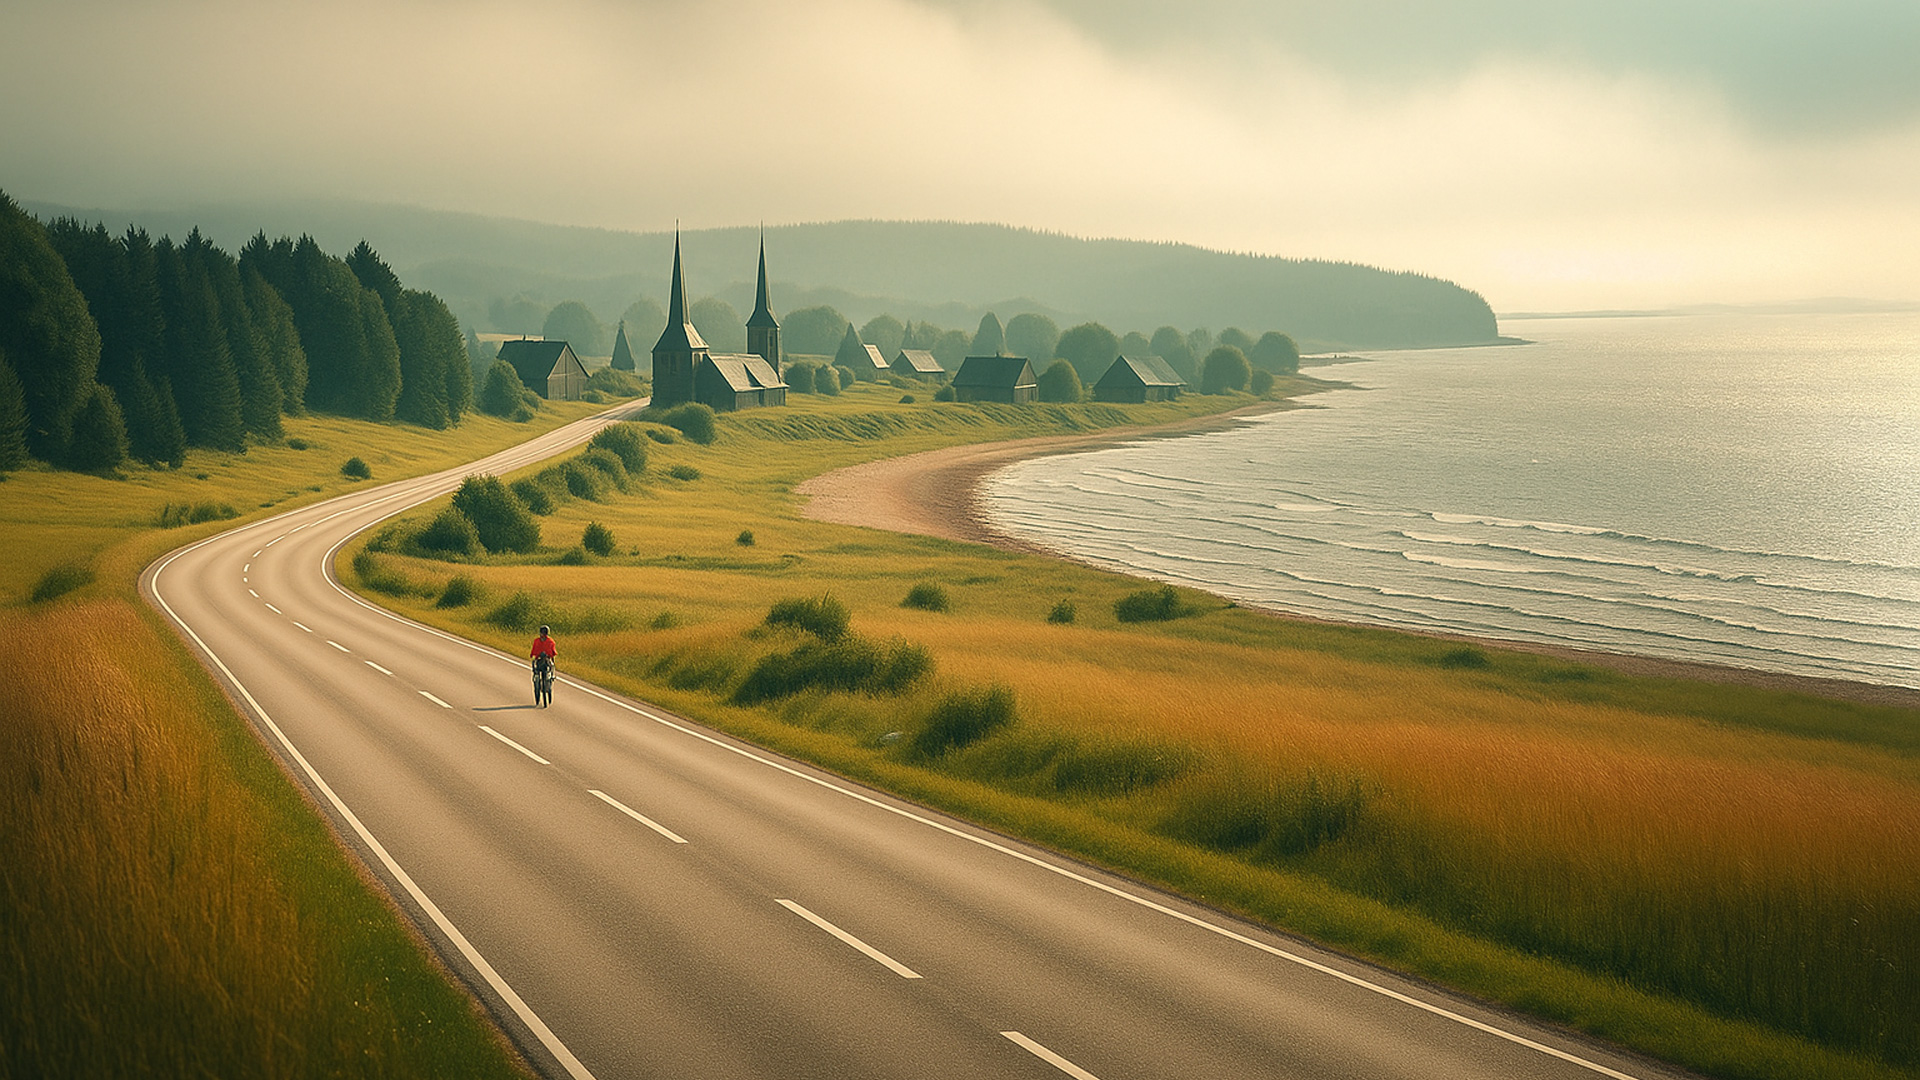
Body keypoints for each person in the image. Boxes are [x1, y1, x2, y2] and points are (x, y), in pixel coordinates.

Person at [530, 625, 557, 705]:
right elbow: (534, 652)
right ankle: (538, 680)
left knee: (549, 669)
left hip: (545, 662)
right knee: (536, 671)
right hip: (539, 661)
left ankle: (547, 680)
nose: (543, 635)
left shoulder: (550, 641)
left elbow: (552, 653)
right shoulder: (538, 641)